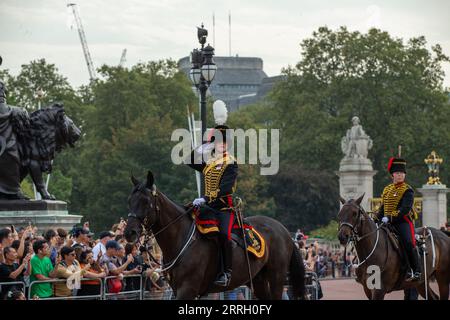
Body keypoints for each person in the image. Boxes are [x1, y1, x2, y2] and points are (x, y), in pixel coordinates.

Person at [186, 124, 238, 287]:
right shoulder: (209, 163)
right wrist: (202, 146)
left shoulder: (231, 162)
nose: (220, 144)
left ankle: (227, 272)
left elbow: (225, 189)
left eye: (223, 142)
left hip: (223, 208)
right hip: (208, 208)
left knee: (223, 235)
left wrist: (206, 199)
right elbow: (189, 160)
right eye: (217, 142)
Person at [376, 157, 421, 282]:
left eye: (402, 173)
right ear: (393, 175)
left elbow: (405, 209)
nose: (400, 175)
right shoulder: (387, 189)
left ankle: (416, 270)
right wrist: (376, 218)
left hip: (402, 222)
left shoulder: (407, 190)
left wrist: (390, 217)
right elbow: (383, 207)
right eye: (397, 173)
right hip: (386, 222)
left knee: (408, 242)